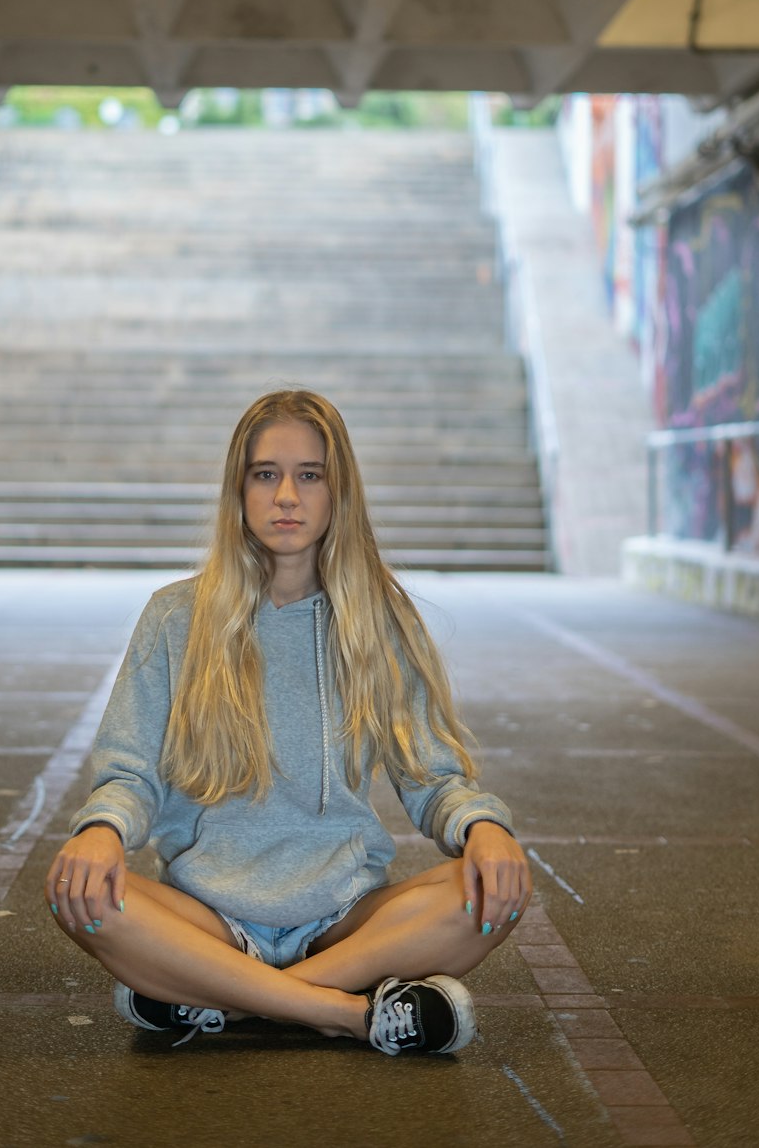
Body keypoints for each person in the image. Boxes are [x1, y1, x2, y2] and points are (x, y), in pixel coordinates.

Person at [46, 390, 531, 1055]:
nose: (286, 496)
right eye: (265, 474)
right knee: (81, 891)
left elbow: (433, 775)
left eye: (310, 475)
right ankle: (348, 1014)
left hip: (344, 923)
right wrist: (101, 830)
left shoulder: (378, 622)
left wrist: (484, 830)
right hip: (209, 916)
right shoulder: (173, 618)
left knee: (483, 889)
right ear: (238, 490)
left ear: (338, 493)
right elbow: (130, 772)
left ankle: (224, 999)